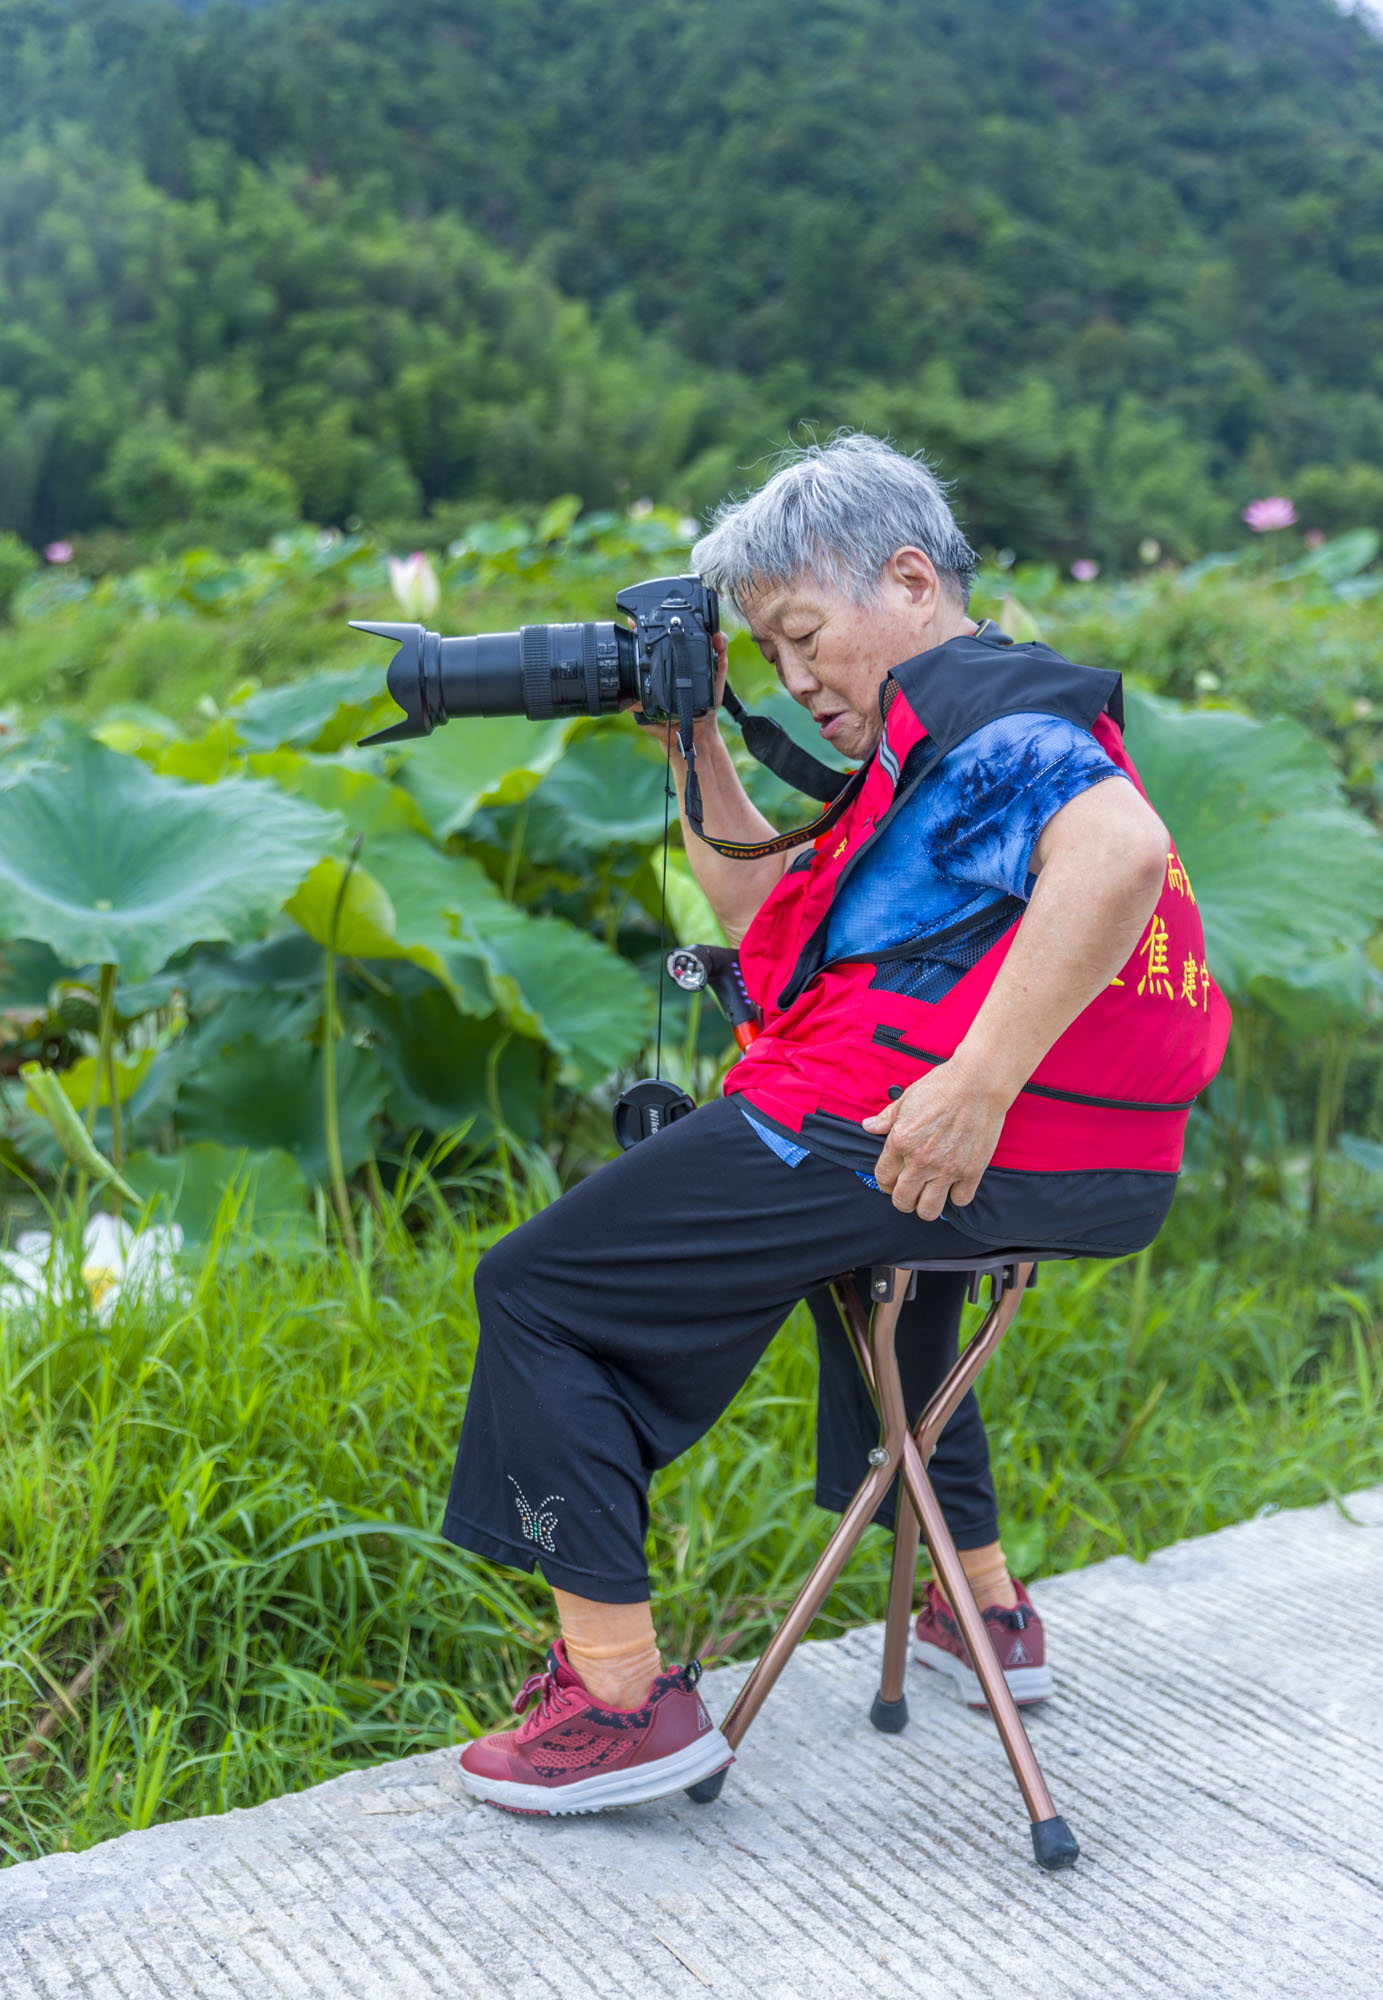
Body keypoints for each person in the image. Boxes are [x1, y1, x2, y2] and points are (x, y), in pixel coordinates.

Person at [443, 433, 1230, 1814]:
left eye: (805, 635)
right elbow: (761, 924)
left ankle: (619, 1699)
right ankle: (984, 1609)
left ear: (912, 579)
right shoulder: (933, 756)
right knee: (871, 1267)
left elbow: (1117, 850)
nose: (798, 679)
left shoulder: (984, 706)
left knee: (539, 1291)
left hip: (907, 1124)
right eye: (772, 651)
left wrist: (974, 1081)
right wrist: (693, 731)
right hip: (1083, 1164)